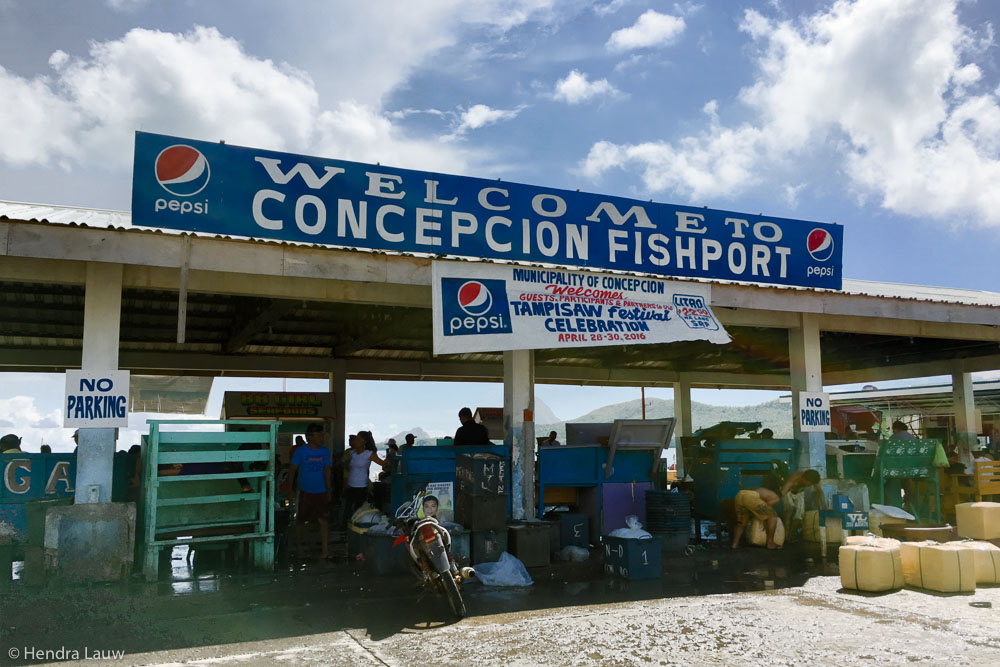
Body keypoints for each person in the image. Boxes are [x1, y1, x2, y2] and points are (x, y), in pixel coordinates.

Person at [289, 422, 333, 560]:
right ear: (310, 437)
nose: (321, 438)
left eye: (322, 435)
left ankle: (325, 551)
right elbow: (292, 471)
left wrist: (329, 489)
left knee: (323, 520)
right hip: (305, 492)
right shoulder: (300, 451)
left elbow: (327, 471)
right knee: (301, 521)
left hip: (321, 491)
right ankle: (299, 549)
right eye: (319, 435)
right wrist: (290, 489)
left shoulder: (325, 451)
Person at [343, 432, 386, 523]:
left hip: (361, 486)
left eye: (358, 439)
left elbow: (383, 464)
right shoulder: (351, 453)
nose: (355, 441)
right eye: (355, 439)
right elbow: (348, 468)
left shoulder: (368, 454)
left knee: (357, 510)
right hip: (351, 485)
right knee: (347, 509)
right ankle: (345, 530)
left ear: (364, 442)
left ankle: (354, 530)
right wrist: (345, 462)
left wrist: (390, 457)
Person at [780, 469, 826, 539]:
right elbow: (783, 491)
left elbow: (821, 492)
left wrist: (824, 506)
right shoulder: (795, 477)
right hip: (788, 492)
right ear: (803, 478)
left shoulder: (813, 479)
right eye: (809, 483)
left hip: (799, 493)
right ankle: (784, 535)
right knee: (789, 509)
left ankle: (790, 536)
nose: (809, 485)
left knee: (800, 515)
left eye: (811, 484)